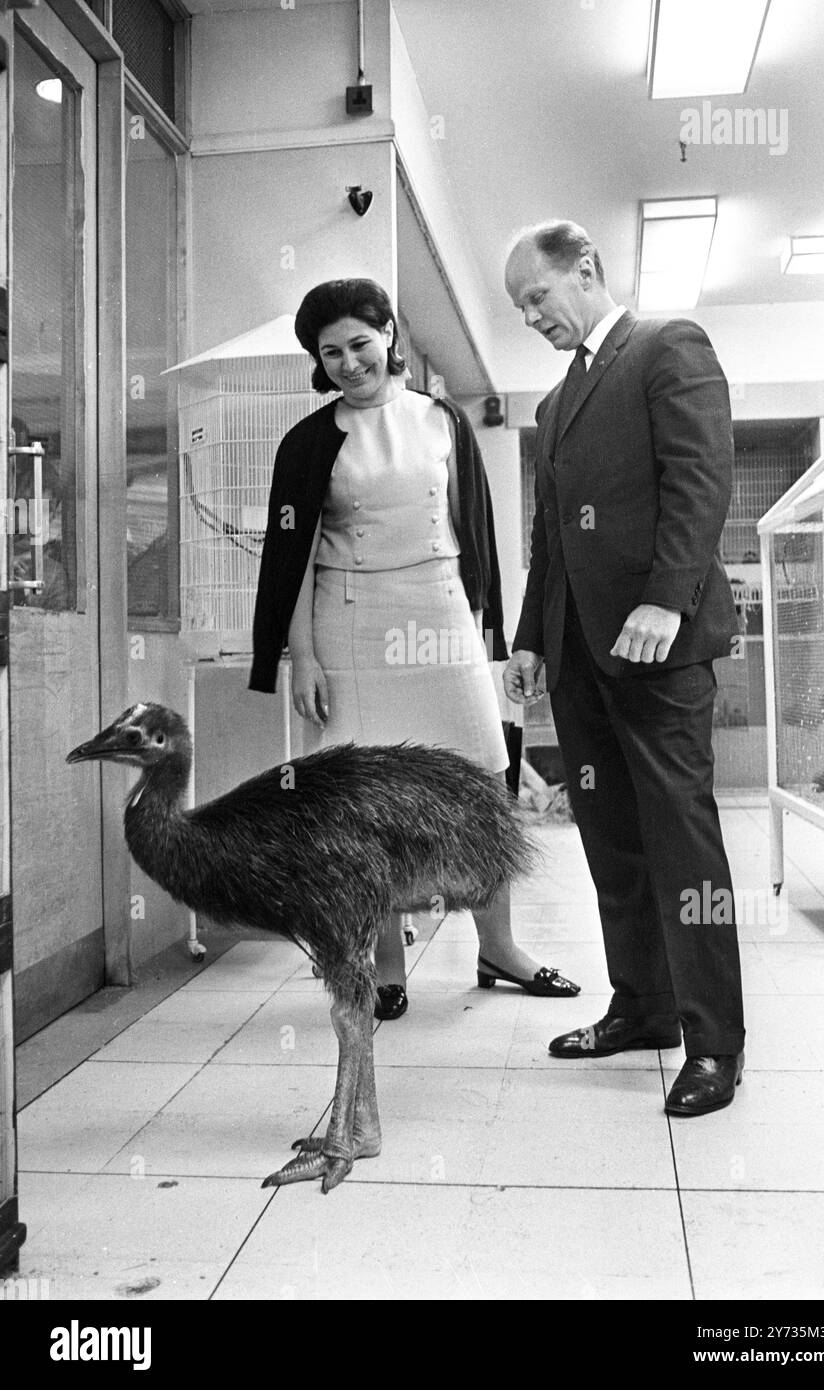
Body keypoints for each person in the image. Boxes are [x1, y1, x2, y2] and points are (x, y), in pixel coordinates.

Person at [249, 278, 580, 1019]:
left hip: (440, 613)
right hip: (350, 622)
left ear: (389, 334)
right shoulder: (306, 443)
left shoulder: (443, 420)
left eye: (359, 344)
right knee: (367, 802)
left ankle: (499, 946)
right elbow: (292, 557)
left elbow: (475, 531)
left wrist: (493, 632)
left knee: (482, 781)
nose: (347, 362)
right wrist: (302, 653)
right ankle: (386, 965)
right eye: (329, 352)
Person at [503, 222, 745, 1117]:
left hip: (659, 648)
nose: (531, 317)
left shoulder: (666, 347)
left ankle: (716, 1042)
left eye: (538, 296)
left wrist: (667, 598)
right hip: (579, 655)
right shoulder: (554, 405)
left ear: (587, 269)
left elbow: (700, 478)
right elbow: (551, 535)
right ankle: (643, 1007)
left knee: (683, 844)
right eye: (519, 308)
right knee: (611, 842)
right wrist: (532, 635)